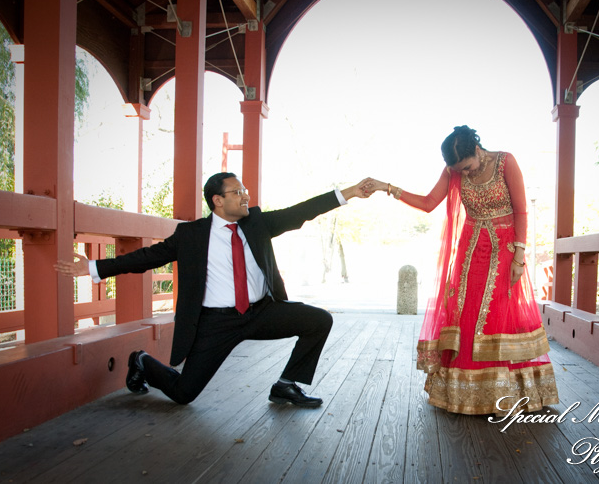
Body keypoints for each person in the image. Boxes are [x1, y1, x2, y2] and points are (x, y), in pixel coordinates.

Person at [55, 173, 374, 408]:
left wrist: (352, 192)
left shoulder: (258, 223)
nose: (245, 196)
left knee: (319, 321)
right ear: (218, 200)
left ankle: (286, 384)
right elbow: (147, 257)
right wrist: (94, 268)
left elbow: (302, 211)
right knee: (182, 395)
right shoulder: (191, 235)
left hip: (261, 312)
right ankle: (141, 361)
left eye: (245, 190)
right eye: (238, 192)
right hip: (215, 323)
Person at [367, 126, 559, 415]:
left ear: (478, 150)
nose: (465, 174)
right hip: (470, 251)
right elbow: (429, 203)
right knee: (466, 313)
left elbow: (521, 210)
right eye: (460, 170)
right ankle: (465, 395)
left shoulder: (506, 162)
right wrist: (388, 188)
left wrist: (519, 255)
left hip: (504, 250)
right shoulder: (452, 170)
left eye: (467, 167)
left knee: (497, 316)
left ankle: (504, 394)